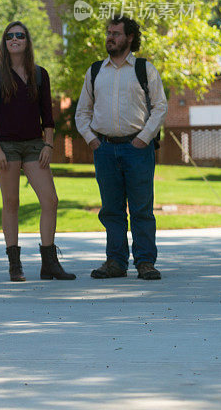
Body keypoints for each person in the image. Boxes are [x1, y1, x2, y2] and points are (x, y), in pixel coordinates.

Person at [75, 15, 168, 280]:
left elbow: (160, 106)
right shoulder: (95, 71)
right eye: (108, 32)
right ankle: (115, 262)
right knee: (111, 210)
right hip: (104, 149)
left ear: (129, 38)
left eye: (116, 33)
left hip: (137, 149)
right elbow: (82, 112)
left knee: (141, 209)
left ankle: (145, 262)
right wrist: (91, 140)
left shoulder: (144, 69)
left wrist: (145, 137)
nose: (110, 37)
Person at [0, 21, 75, 282]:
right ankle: (15, 264)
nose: (14, 39)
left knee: (50, 200)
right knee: (11, 203)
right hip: (6, 147)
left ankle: (49, 264)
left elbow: (48, 115)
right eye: (9, 36)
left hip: (35, 144)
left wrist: (48, 144)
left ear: (27, 41)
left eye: (20, 35)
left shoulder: (40, 74)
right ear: (5, 42)